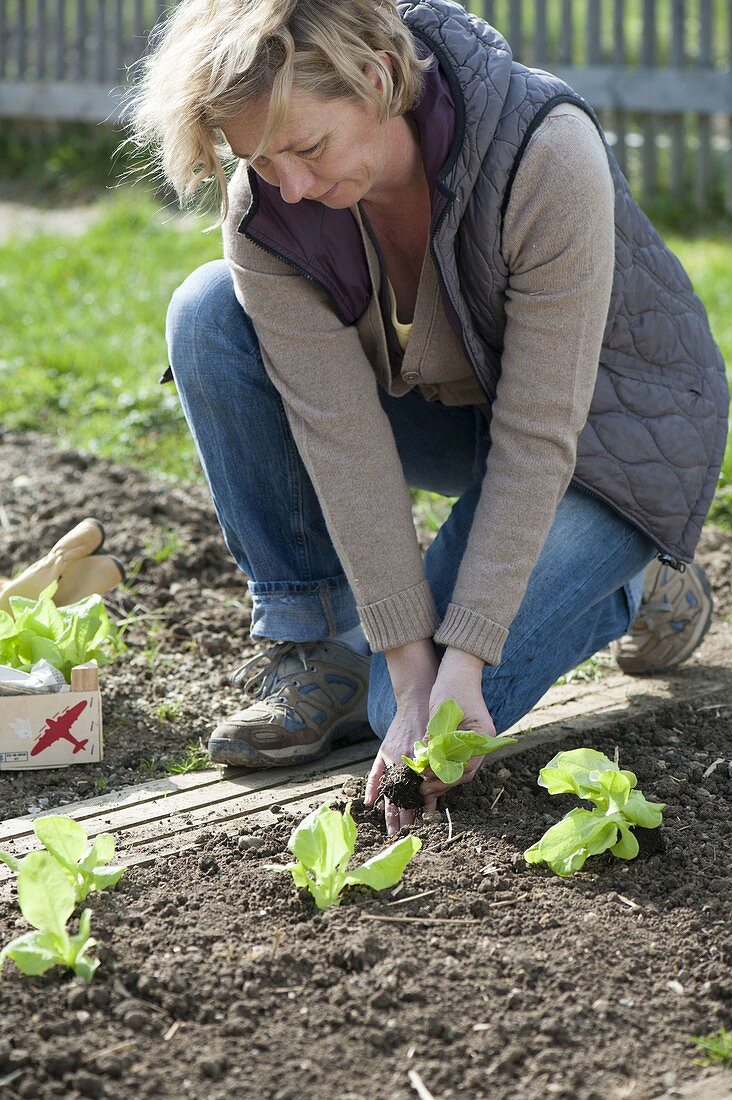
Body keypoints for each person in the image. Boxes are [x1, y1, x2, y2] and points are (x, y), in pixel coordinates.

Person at [128, 0, 728, 835]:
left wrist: (467, 656)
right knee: (209, 314)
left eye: (306, 147)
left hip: (609, 436)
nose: (290, 187)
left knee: (438, 707)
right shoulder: (271, 213)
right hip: (446, 408)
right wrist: (408, 668)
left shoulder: (542, 151)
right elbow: (343, 442)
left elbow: (539, 432)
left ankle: (640, 569)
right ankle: (319, 651)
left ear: (377, 79)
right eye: (259, 161)